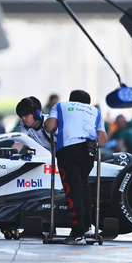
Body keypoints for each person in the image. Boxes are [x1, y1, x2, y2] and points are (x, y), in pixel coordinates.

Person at [44, 90, 107, 245]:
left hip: (68, 149)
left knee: (73, 190)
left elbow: (50, 127)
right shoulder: (96, 112)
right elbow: (102, 140)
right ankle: (86, 227)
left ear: (71, 99)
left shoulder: (60, 106)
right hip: (89, 151)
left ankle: (78, 234)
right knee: (83, 186)